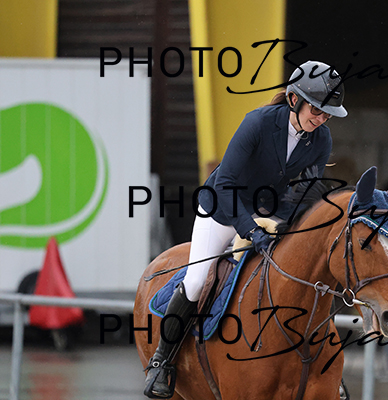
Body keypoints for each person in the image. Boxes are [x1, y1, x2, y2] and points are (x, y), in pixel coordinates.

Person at [143, 60, 348, 398]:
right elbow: (225, 183)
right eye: (317, 110)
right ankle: (162, 361)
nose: (322, 119)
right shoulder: (258, 123)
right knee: (196, 281)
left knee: (305, 274)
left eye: (328, 114)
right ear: (294, 100)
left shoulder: (320, 138)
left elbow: (308, 190)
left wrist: (299, 223)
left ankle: (324, 369)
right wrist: (250, 230)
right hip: (223, 208)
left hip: (270, 209)